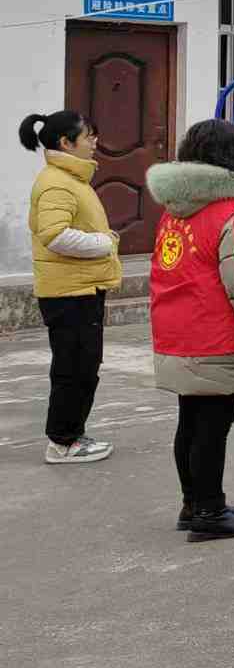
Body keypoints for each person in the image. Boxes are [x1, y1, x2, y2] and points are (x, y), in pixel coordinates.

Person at [145, 118, 234, 540]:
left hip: (176, 329)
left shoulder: (174, 209)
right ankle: (209, 511)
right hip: (216, 336)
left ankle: (193, 502)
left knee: (191, 422)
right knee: (212, 428)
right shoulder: (231, 213)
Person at [20, 110, 121, 465]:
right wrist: (104, 243)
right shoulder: (56, 183)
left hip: (81, 288)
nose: (95, 142)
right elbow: (55, 235)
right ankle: (63, 442)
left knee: (83, 367)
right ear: (66, 142)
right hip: (68, 293)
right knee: (73, 369)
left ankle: (72, 435)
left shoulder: (71, 179)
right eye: (88, 136)